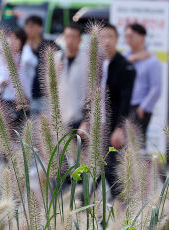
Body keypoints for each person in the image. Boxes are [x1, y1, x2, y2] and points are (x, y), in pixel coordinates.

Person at [79, 23, 136, 199]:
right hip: (95, 126)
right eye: (102, 37)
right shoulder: (94, 66)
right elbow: (88, 96)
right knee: (91, 169)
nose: (106, 41)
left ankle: (120, 210)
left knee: (112, 170)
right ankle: (84, 209)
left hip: (113, 127)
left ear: (117, 39)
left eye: (110, 36)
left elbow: (126, 100)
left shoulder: (125, 66)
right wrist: (85, 120)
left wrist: (120, 128)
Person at [0, 28, 34, 130]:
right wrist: (0, 81)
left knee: (22, 130)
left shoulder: (26, 57)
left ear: (22, 41)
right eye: (11, 38)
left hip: (22, 100)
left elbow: (29, 77)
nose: (12, 41)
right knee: (7, 131)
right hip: (5, 99)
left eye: (16, 39)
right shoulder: (1, 58)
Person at [124, 23, 162, 139]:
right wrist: (132, 59)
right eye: (126, 36)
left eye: (131, 36)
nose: (128, 39)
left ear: (142, 36)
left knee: (135, 145)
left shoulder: (152, 61)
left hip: (138, 107)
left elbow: (156, 88)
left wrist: (143, 108)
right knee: (118, 145)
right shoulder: (125, 57)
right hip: (124, 105)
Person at [23, 15, 59, 116]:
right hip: (30, 94)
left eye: (31, 26)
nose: (28, 29)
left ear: (39, 27)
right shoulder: (23, 46)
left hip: (47, 94)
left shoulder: (48, 45)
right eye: (26, 26)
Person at [56, 23, 87, 129]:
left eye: (74, 37)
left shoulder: (87, 61)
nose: (70, 40)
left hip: (78, 120)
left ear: (80, 40)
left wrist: (86, 120)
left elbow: (91, 93)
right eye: (67, 36)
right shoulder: (56, 58)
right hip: (58, 119)